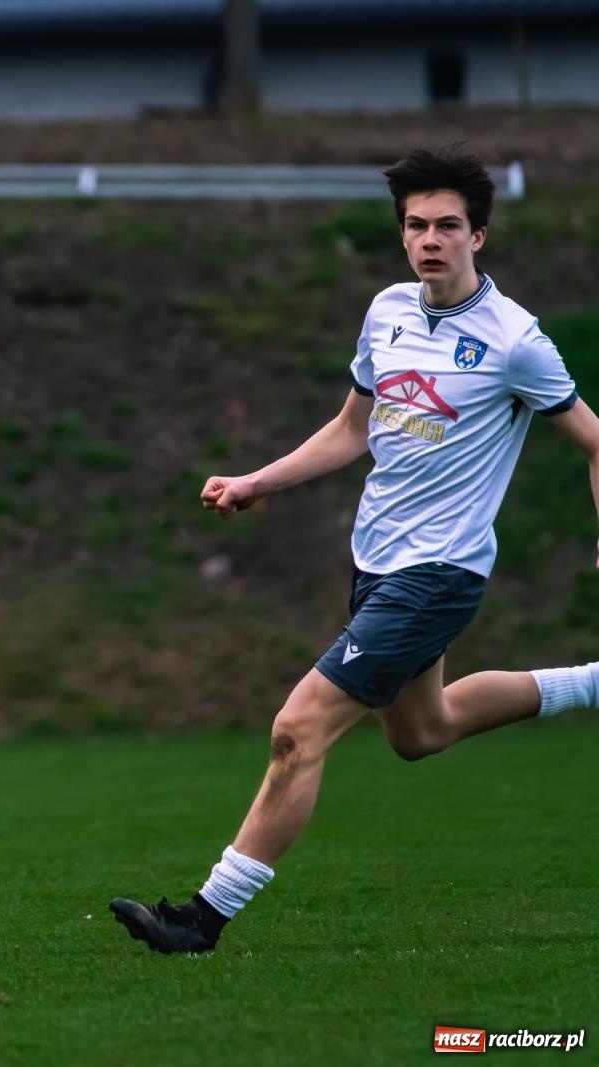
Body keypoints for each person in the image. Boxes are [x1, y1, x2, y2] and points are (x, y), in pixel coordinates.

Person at [111, 145, 599, 954]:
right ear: (402, 234)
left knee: (298, 727)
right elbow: (351, 429)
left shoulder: (516, 343)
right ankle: (591, 683)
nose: (430, 239)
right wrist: (257, 480)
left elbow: (593, 440)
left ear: (480, 236)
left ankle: (203, 917)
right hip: (375, 564)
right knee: (421, 732)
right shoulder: (388, 312)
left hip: (440, 573)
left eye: (449, 225)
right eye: (417, 225)